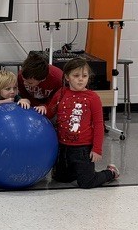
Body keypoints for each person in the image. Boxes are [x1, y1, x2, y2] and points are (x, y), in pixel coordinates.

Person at [44, 57, 119, 188]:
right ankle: (77, 170)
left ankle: (111, 172)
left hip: (83, 148)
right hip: (63, 147)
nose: (81, 79)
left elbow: (99, 125)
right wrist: (42, 108)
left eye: (84, 76)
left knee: (86, 183)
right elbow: (49, 113)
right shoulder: (61, 93)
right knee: (60, 178)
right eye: (76, 76)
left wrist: (97, 149)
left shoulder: (93, 98)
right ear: (67, 77)